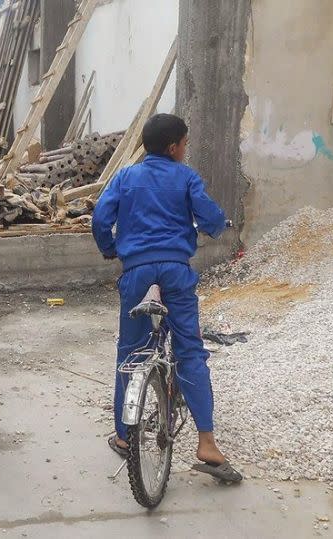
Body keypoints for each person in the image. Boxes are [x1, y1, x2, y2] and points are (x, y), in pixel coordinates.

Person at [91, 113, 242, 482]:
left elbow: (99, 219)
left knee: (131, 353)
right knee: (190, 350)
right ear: (174, 147)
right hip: (176, 272)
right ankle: (207, 442)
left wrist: (111, 248)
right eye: (185, 144)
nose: (185, 150)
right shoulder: (186, 177)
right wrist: (215, 225)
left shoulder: (125, 176)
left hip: (137, 273)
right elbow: (209, 217)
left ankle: (126, 438)